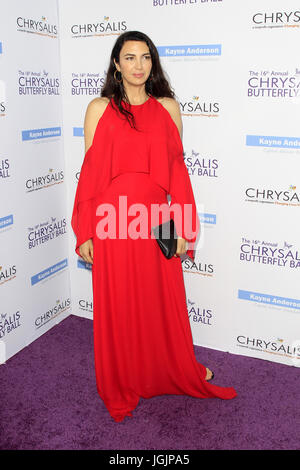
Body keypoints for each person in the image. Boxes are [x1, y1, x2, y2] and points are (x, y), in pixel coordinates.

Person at [71, 31, 237, 423]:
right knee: (120, 302)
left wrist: (182, 225)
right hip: (113, 220)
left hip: (157, 218)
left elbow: (177, 172)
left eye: (145, 57)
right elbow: (90, 176)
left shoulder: (167, 108)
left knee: (163, 301)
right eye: (129, 58)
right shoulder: (98, 108)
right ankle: (126, 377)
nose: (138, 65)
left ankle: (174, 369)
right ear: (116, 64)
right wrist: (87, 231)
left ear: (153, 63)